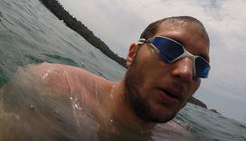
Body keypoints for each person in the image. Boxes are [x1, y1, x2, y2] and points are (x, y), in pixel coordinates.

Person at [0, 16, 211, 140]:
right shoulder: (53, 88)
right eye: (170, 48)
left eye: (200, 66)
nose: (185, 72)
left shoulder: (177, 137)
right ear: (133, 54)